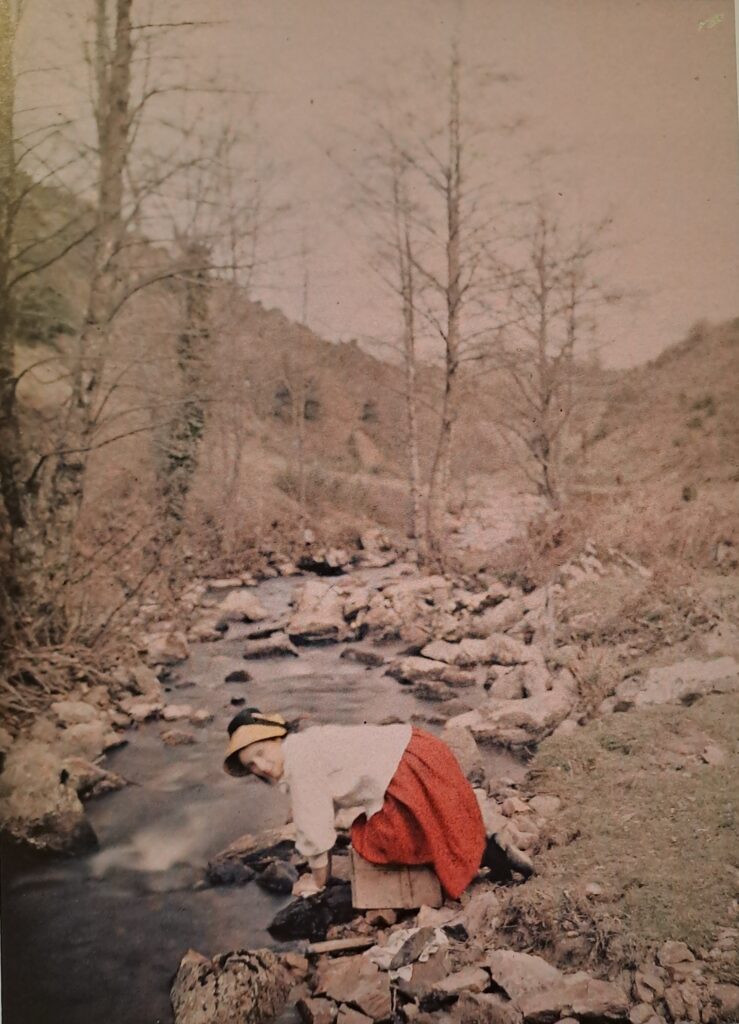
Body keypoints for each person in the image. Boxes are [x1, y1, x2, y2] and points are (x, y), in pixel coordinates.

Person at [223, 707, 489, 899]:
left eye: (261, 753)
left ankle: (472, 854)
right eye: (251, 765)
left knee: (372, 838)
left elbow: (314, 826)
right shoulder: (302, 744)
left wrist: (317, 882)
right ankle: (478, 846)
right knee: (426, 821)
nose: (261, 766)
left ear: (276, 739)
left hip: (409, 768)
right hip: (423, 750)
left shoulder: (299, 762)